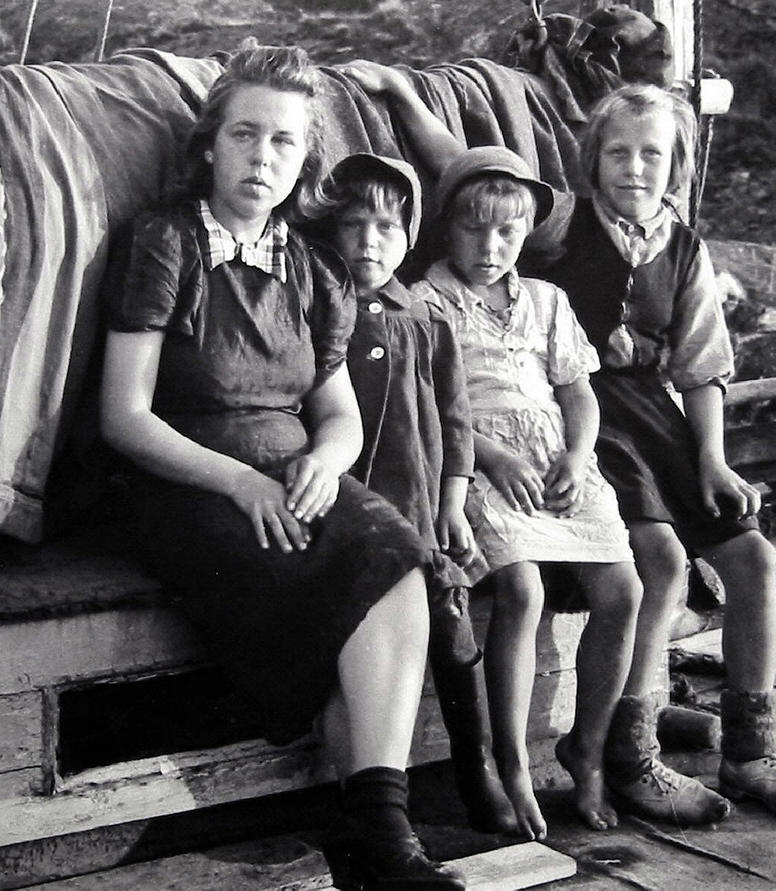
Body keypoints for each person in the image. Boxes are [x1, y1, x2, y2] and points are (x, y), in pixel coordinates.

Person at [343, 62, 776, 826]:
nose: (635, 168)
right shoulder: (559, 222)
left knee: (754, 555)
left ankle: (752, 749)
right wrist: (406, 100)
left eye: (654, 155)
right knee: (662, 560)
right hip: (577, 414)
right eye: (618, 153)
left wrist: (712, 457)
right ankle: (629, 752)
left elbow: (701, 367)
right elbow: (463, 176)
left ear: (678, 165)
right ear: (591, 160)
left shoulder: (685, 247)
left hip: (650, 414)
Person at [99, 44, 465, 889]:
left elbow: (336, 412)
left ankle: (378, 833)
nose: (262, 159)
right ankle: (378, 842)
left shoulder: (312, 265)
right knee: (352, 589)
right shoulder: (166, 241)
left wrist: (329, 462)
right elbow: (123, 414)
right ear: (210, 145)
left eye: (285, 143)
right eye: (245, 135)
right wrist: (238, 480)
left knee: (401, 561)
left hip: (293, 471)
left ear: (305, 159)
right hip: (188, 475)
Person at [411, 145, 645, 842]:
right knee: (522, 589)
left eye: (507, 233)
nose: (490, 247)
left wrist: (578, 454)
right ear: (447, 228)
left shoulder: (546, 300)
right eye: (474, 230)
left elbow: (578, 391)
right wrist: (489, 453)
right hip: (474, 457)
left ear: (525, 235)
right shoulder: (428, 300)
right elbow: (426, 401)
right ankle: (510, 761)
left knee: (623, 590)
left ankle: (588, 749)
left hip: (555, 459)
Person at [313, 152, 517, 834]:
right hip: (353, 508)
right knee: (354, 631)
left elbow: (457, 423)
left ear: (410, 237)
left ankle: (477, 765)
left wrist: (454, 501)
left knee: (453, 632)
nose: (370, 242)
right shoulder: (320, 307)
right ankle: (363, 796)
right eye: (354, 225)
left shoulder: (426, 318)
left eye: (387, 228)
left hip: (421, 507)